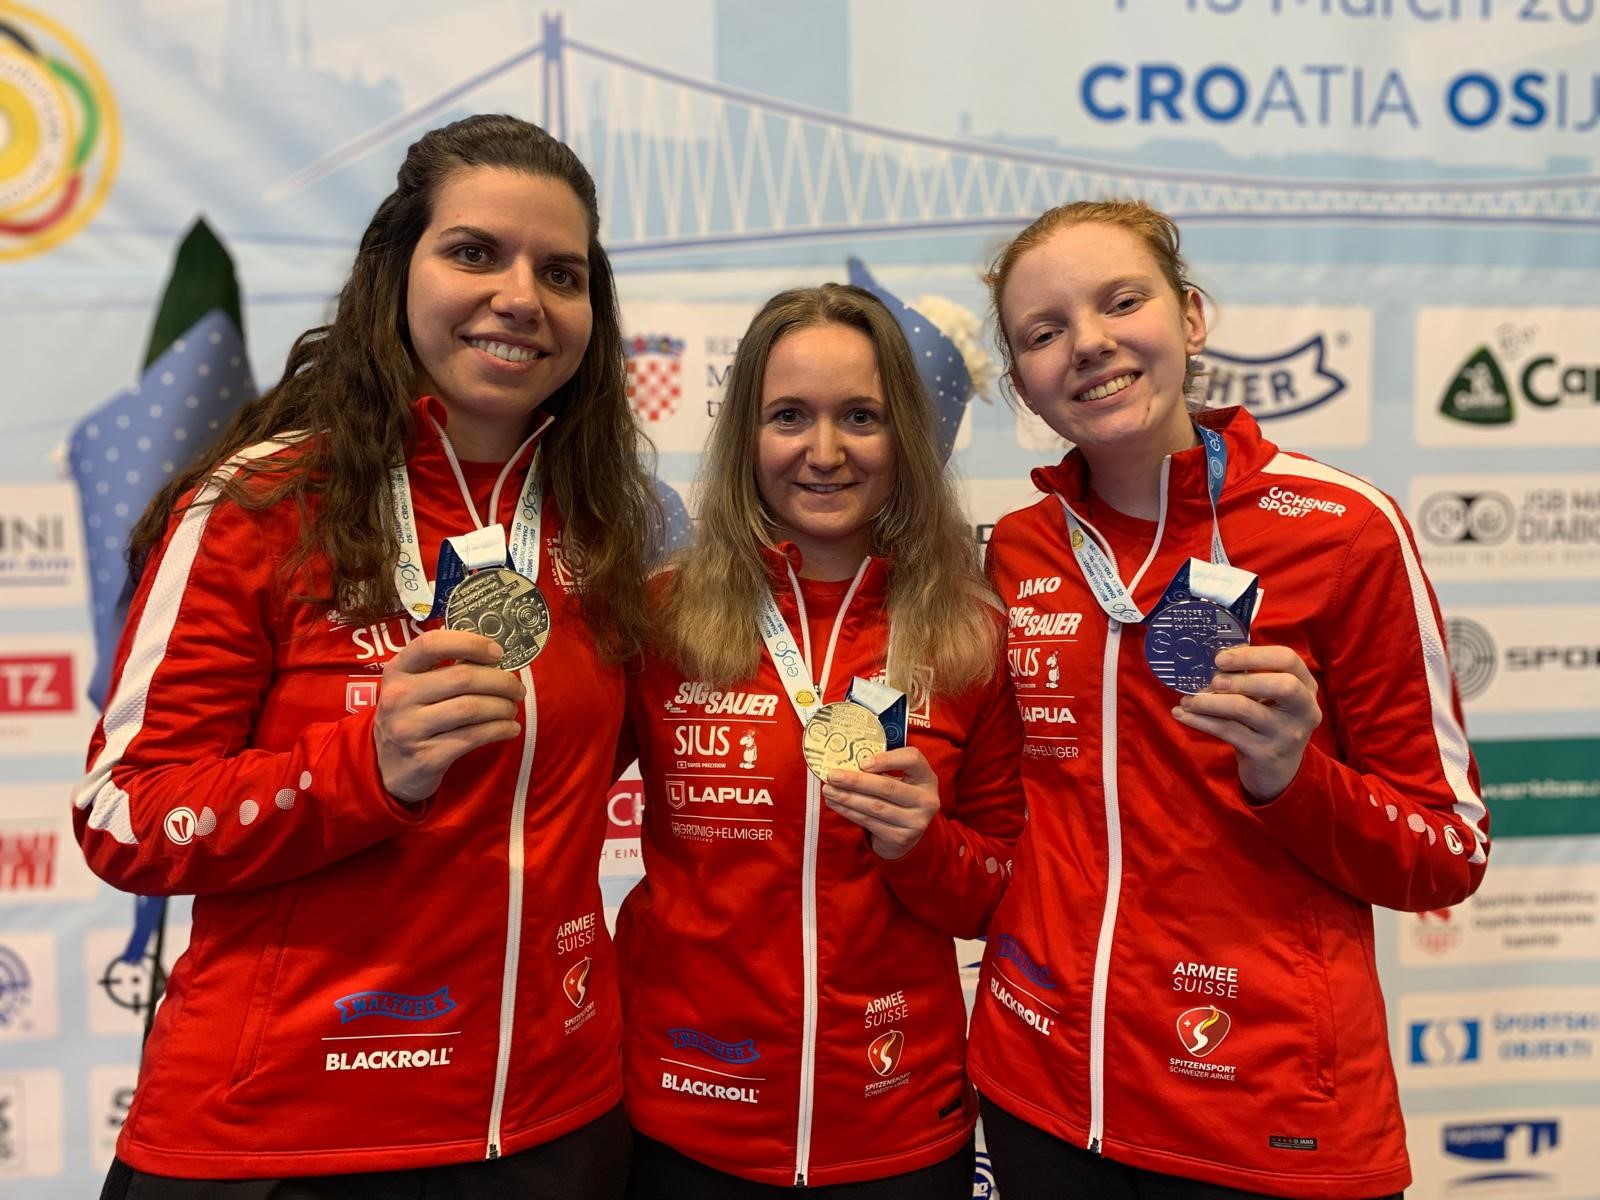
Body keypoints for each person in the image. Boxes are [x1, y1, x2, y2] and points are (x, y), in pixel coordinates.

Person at [74, 114, 658, 1198]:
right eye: (475, 252)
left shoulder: (607, 532)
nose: (522, 295)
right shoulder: (258, 504)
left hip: (547, 1126)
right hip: (285, 1135)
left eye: (562, 271)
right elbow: (125, 815)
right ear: (395, 272)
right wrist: (363, 769)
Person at [965, 199, 1491, 1200]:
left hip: (1259, 1115)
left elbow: (1447, 852)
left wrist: (1292, 777)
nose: (1088, 344)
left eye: (1122, 301)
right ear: (1022, 382)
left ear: (1192, 317)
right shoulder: (1020, 549)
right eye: (1043, 332)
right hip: (1040, 1095)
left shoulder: (1341, 529)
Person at [616, 284, 1026, 1197]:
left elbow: (996, 893)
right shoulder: (663, 617)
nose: (826, 451)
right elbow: (545, 810)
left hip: (898, 1126)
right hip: (683, 1117)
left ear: (905, 438)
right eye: (790, 416)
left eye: (862, 417)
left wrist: (926, 844)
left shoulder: (968, 634)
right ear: (745, 438)